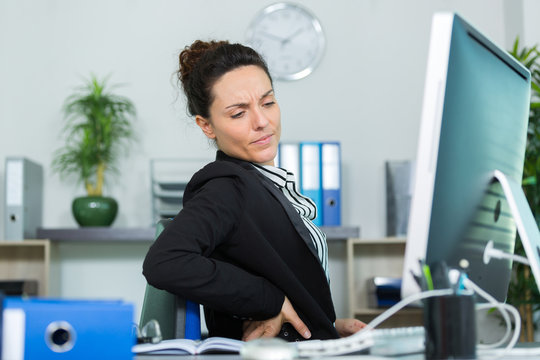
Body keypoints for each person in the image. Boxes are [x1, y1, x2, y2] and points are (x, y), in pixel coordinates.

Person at [143, 40, 364, 342]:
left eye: (268, 102)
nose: (262, 122)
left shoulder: (263, 184)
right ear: (206, 126)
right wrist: (267, 300)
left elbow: (279, 274)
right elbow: (164, 262)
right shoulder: (228, 187)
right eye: (238, 113)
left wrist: (324, 322)